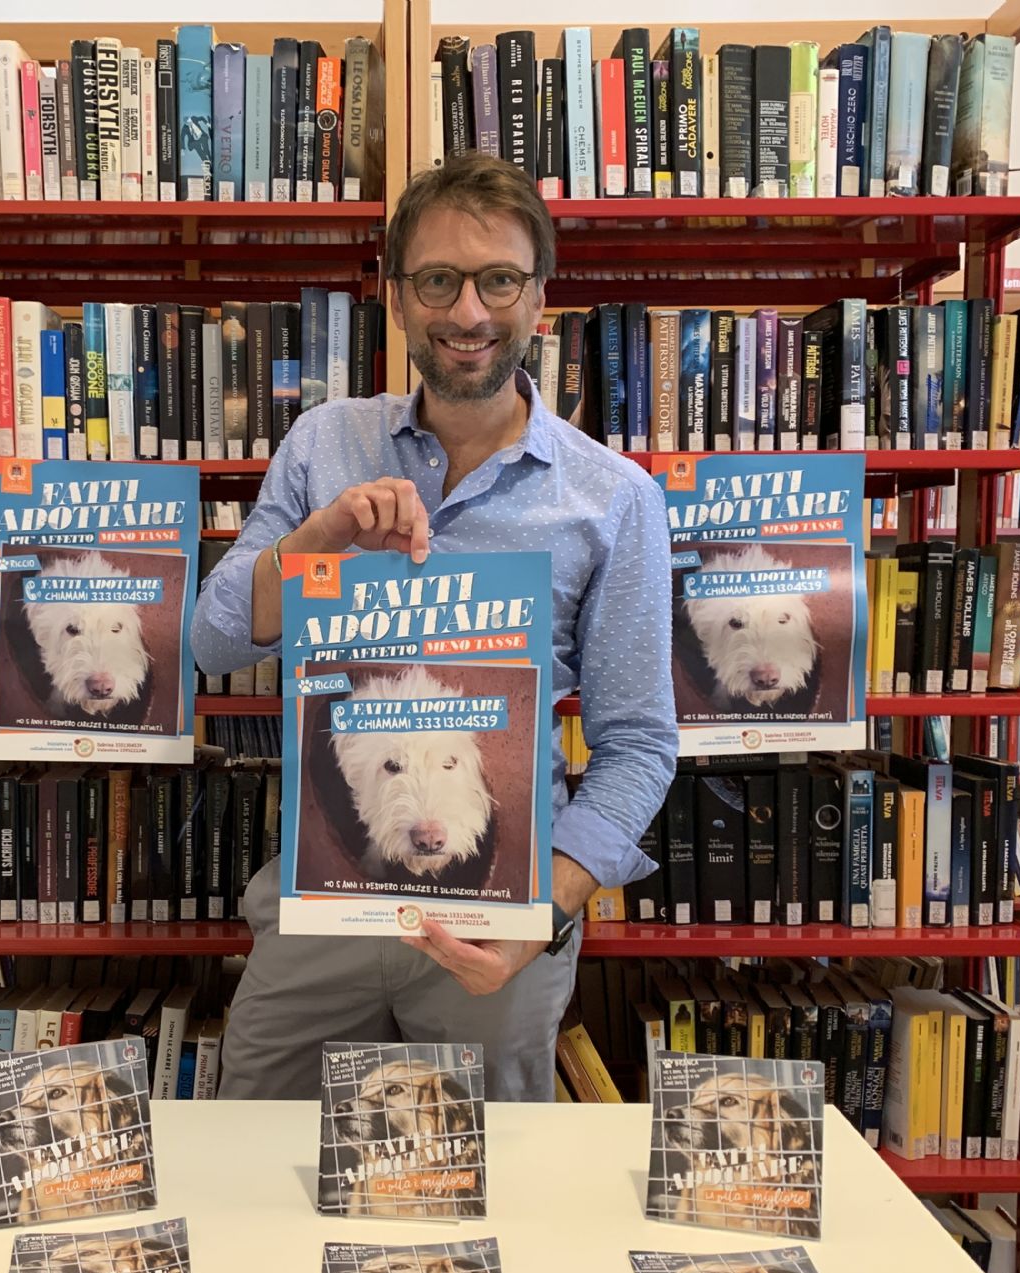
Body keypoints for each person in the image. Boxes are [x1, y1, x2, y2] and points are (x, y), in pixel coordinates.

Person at [190, 151, 676, 1102]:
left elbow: (639, 746)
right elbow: (212, 643)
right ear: (397, 296)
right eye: (439, 280)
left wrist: (546, 912)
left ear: (539, 296)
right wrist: (318, 544)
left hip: (497, 921)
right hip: (325, 898)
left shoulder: (615, 499)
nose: (469, 312)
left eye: (499, 280)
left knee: (489, 1171)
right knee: (256, 1145)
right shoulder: (324, 444)